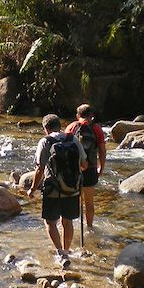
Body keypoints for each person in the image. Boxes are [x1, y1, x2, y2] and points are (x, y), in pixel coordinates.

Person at [27, 114, 88, 268]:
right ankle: (67, 251)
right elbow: (84, 164)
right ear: (59, 126)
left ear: (46, 129)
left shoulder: (45, 141)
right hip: (72, 189)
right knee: (67, 221)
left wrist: (32, 189)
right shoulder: (73, 139)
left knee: (50, 222)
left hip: (52, 189)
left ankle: (60, 253)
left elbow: (40, 169)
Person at [65, 103, 107, 232]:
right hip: (90, 168)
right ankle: (89, 228)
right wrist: (101, 168)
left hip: (73, 169)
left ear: (78, 115)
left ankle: (69, 227)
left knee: (71, 200)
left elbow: (63, 148)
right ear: (92, 115)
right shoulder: (97, 129)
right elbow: (102, 151)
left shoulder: (71, 127)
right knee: (89, 202)